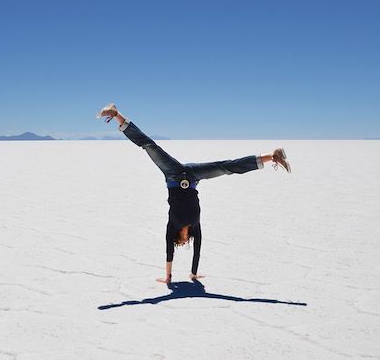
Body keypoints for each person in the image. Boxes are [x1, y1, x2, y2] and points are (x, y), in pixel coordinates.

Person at [97, 103, 290, 284]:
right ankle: (272, 156)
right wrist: (194, 274)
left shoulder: (172, 227)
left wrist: (168, 278)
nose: (183, 242)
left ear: (177, 239)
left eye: (180, 243)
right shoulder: (195, 228)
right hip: (192, 177)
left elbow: (168, 253)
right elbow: (197, 252)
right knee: (226, 168)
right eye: (185, 243)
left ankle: (116, 113)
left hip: (173, 174)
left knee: (150, 146)